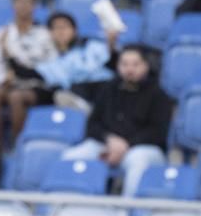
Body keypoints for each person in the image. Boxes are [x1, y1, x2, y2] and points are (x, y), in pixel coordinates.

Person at [60, 46, 170, 197]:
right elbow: (93, 124)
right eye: (124, 64)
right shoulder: (108, 89)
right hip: (107, 144)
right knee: (71, 157)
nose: (129, 69)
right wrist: (109, 139)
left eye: (135, 64)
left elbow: (158, 132)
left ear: (145, 66)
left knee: (137, 161)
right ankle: (66, 206)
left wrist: (126, 145)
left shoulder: (158, 94)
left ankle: (129, 212)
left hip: (142, 148)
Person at [4, 12, 114, 140]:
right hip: (77, 93)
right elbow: (27, 73)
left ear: (75, 30)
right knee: (61, 96)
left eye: (65, 27)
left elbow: (112, 60)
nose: (61, 31)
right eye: (56, 28)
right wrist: (7, 53)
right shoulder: (52, 62)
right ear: (49, 33)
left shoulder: (92, 45)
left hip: (104, 88)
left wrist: (111, 44)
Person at [0, 0, 54, 146]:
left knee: (16, 97)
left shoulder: (44, 35)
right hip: (11, 82)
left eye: (28, 1)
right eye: (19, 0)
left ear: (35, 5)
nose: (23, 5)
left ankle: (18, 145)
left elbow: (48, 68)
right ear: (12, 4)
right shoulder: (2, 33)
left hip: (36, 86)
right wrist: (4, 79)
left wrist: (13, 57)